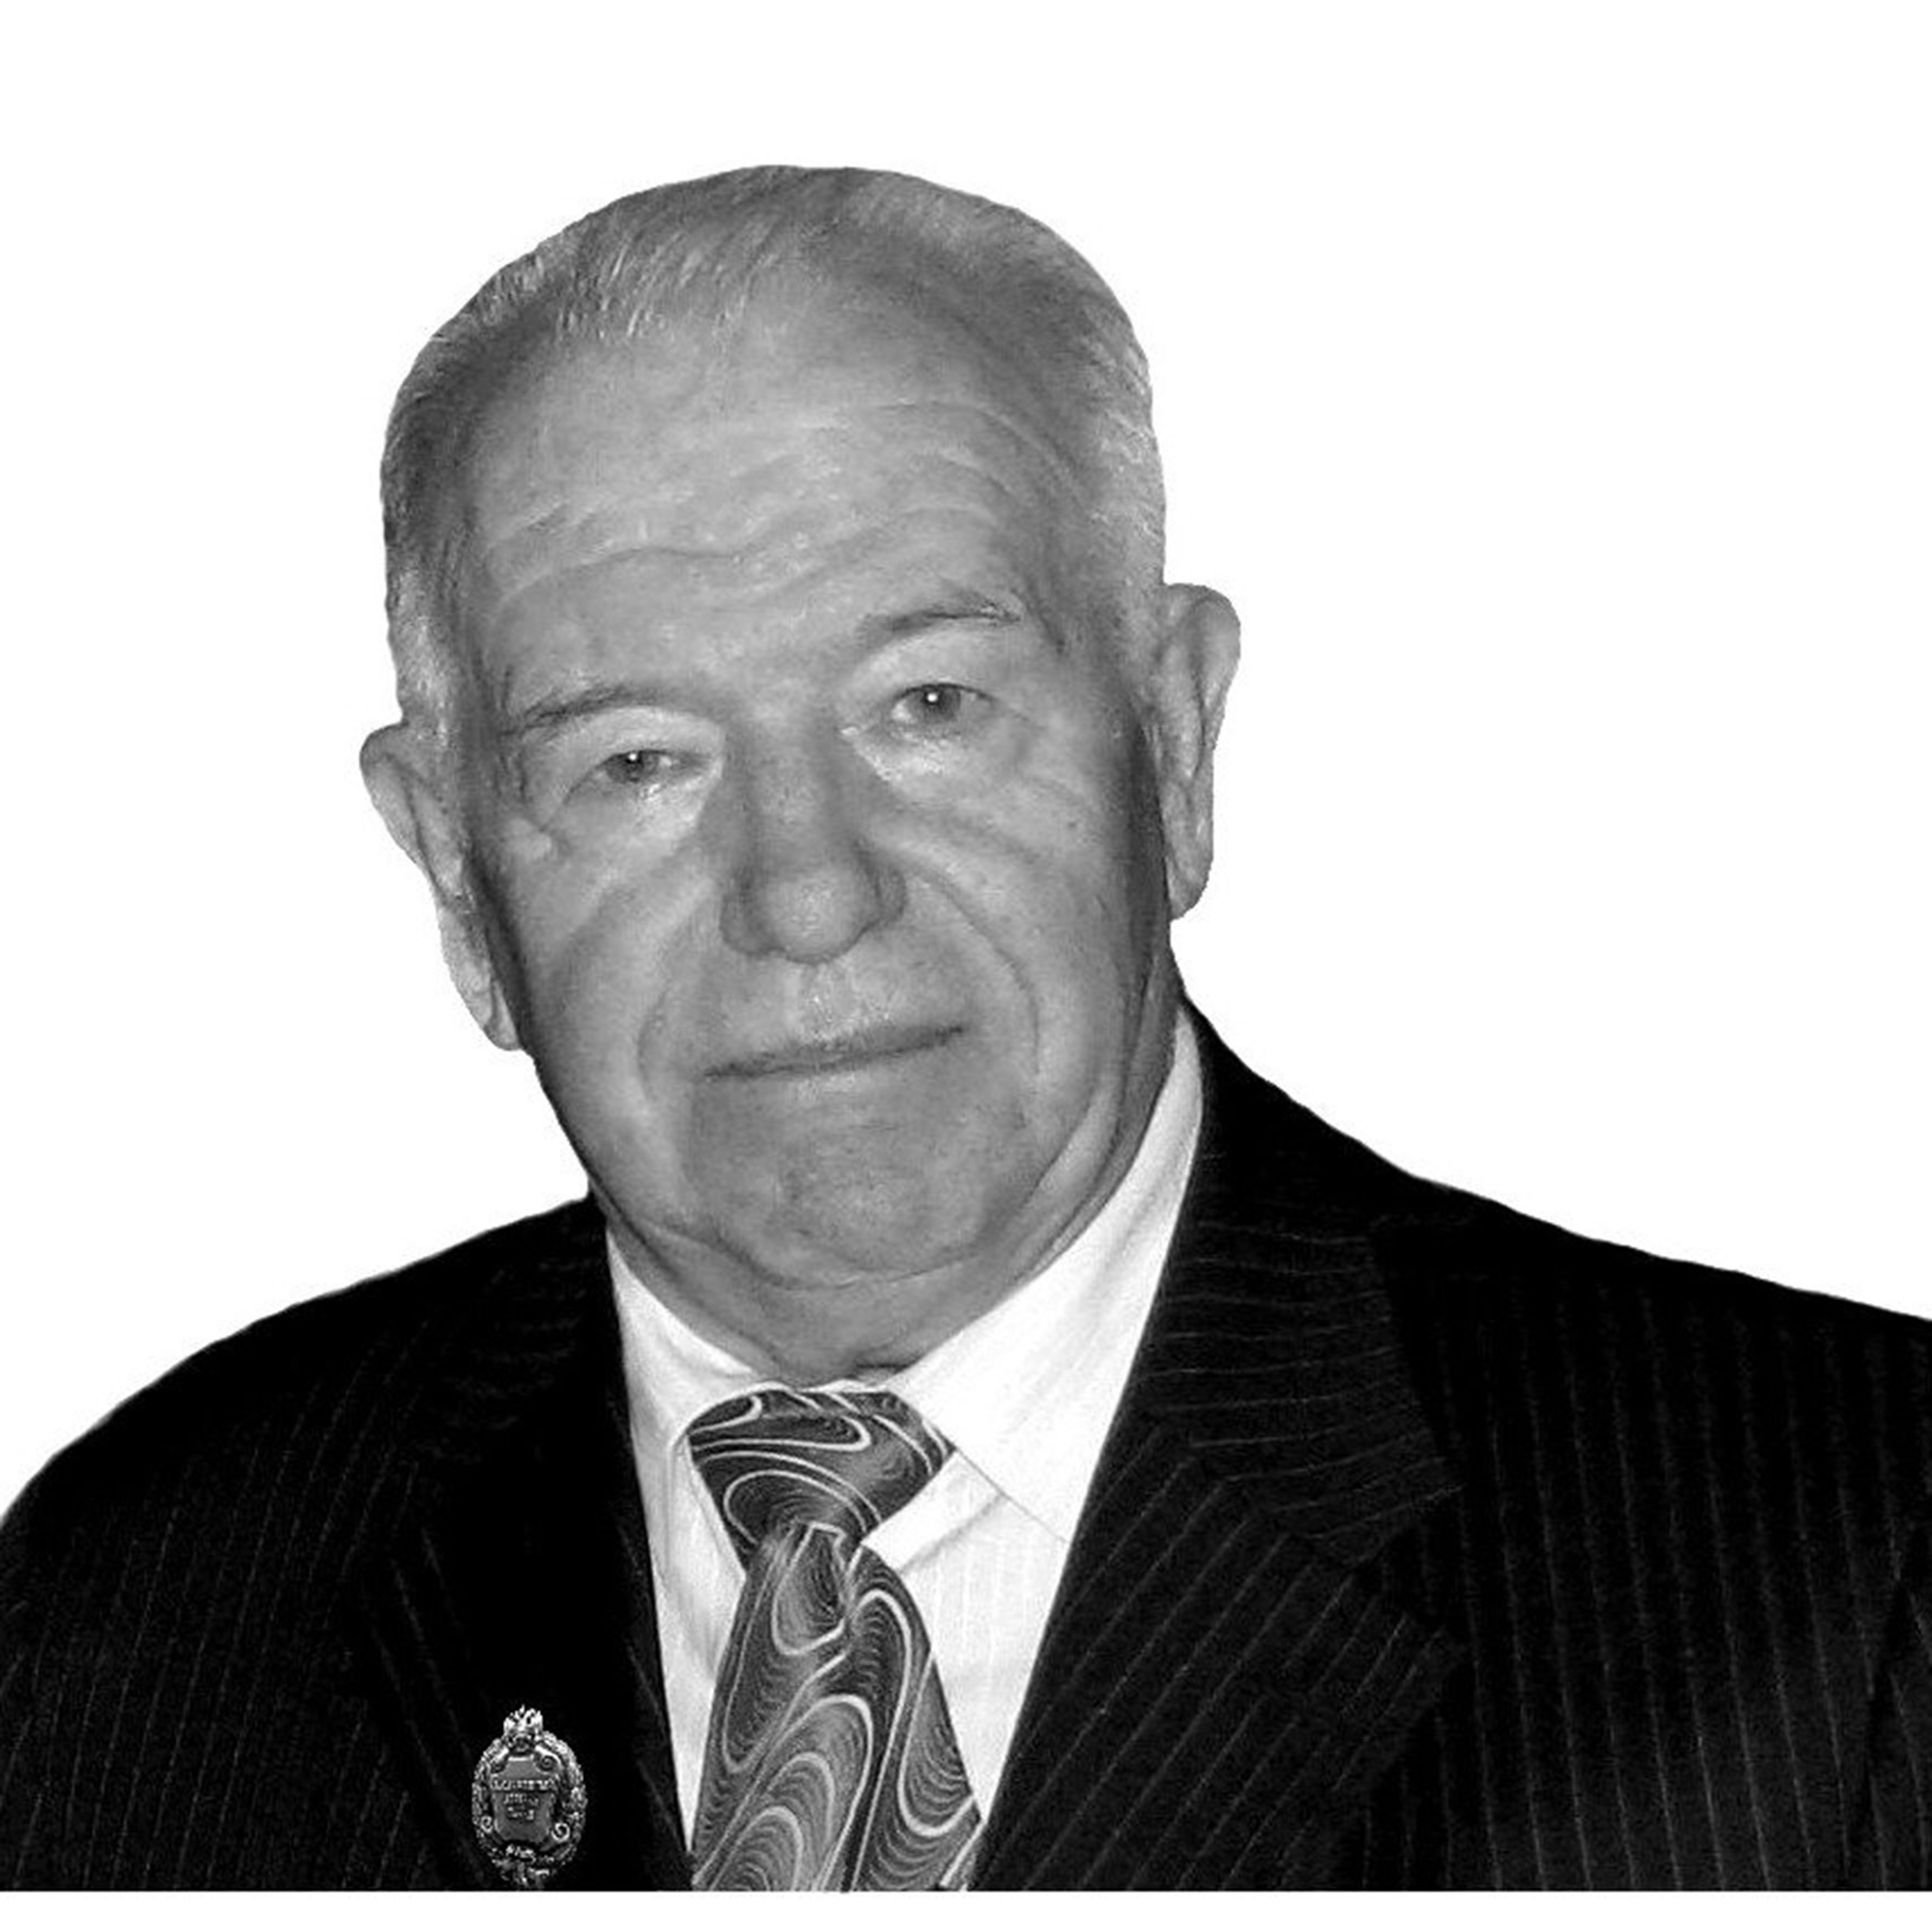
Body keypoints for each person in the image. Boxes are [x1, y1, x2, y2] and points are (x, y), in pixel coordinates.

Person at [1, 166, 1926, 1891]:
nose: (805, 891)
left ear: (1169, 746)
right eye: (637, 760)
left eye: (926, 706)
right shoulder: (134, 1607)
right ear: (455, 875)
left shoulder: (1851, 1564)